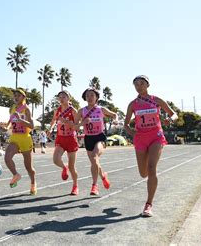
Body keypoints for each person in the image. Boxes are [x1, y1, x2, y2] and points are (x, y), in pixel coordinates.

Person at [124, 75, 177, 217]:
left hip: (156, 136)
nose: (139, 86)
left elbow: (174, 115)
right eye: (136, 84)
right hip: (141, 138)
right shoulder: (133, 104)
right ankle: (147, 173)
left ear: (148, 85)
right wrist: (132, 133)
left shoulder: (156, 100)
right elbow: (126, 124)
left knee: (152, 168)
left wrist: (169, 120)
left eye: (141, 83)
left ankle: (148, 205)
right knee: (143, 173)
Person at [73, 88, 118, 196]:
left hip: (99, 137)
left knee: (94, 157)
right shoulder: (81, 111)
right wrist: (82, 122)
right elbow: (74, 126)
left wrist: (115, 120)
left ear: (96, 97)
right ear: (85, 97)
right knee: (94, 162)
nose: (89, 97)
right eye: (87, 95)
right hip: (88, 138)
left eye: (92, 95)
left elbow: (114, 114)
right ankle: (103, 176)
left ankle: (94, 186)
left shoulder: (101, 109)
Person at [5, 88, 37, 195]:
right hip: (15, 137)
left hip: (25, 138)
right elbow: (10, 120)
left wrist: (21, 120)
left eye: (18, 95)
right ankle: (16, 174)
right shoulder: (12, 108)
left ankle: (33, 183)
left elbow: (32, 126)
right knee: (7, 157)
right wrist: (7, 127)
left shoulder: (26, 109)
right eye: (15, 95)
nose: (16, 97)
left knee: (28, 167)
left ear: (24, 97)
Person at [49, 90, 79, 195]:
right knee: (56, 159)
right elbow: (53, 121)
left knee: (72, 167)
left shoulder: (73, 110)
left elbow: (77, 126)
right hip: (60, 138)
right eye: (60, 97)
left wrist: (67, 122)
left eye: (64, 97)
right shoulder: (57, 110)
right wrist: (51, 128)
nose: (61, 99)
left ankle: (75, 185)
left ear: (68, 98)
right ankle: (63, 167)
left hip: (71, 138)